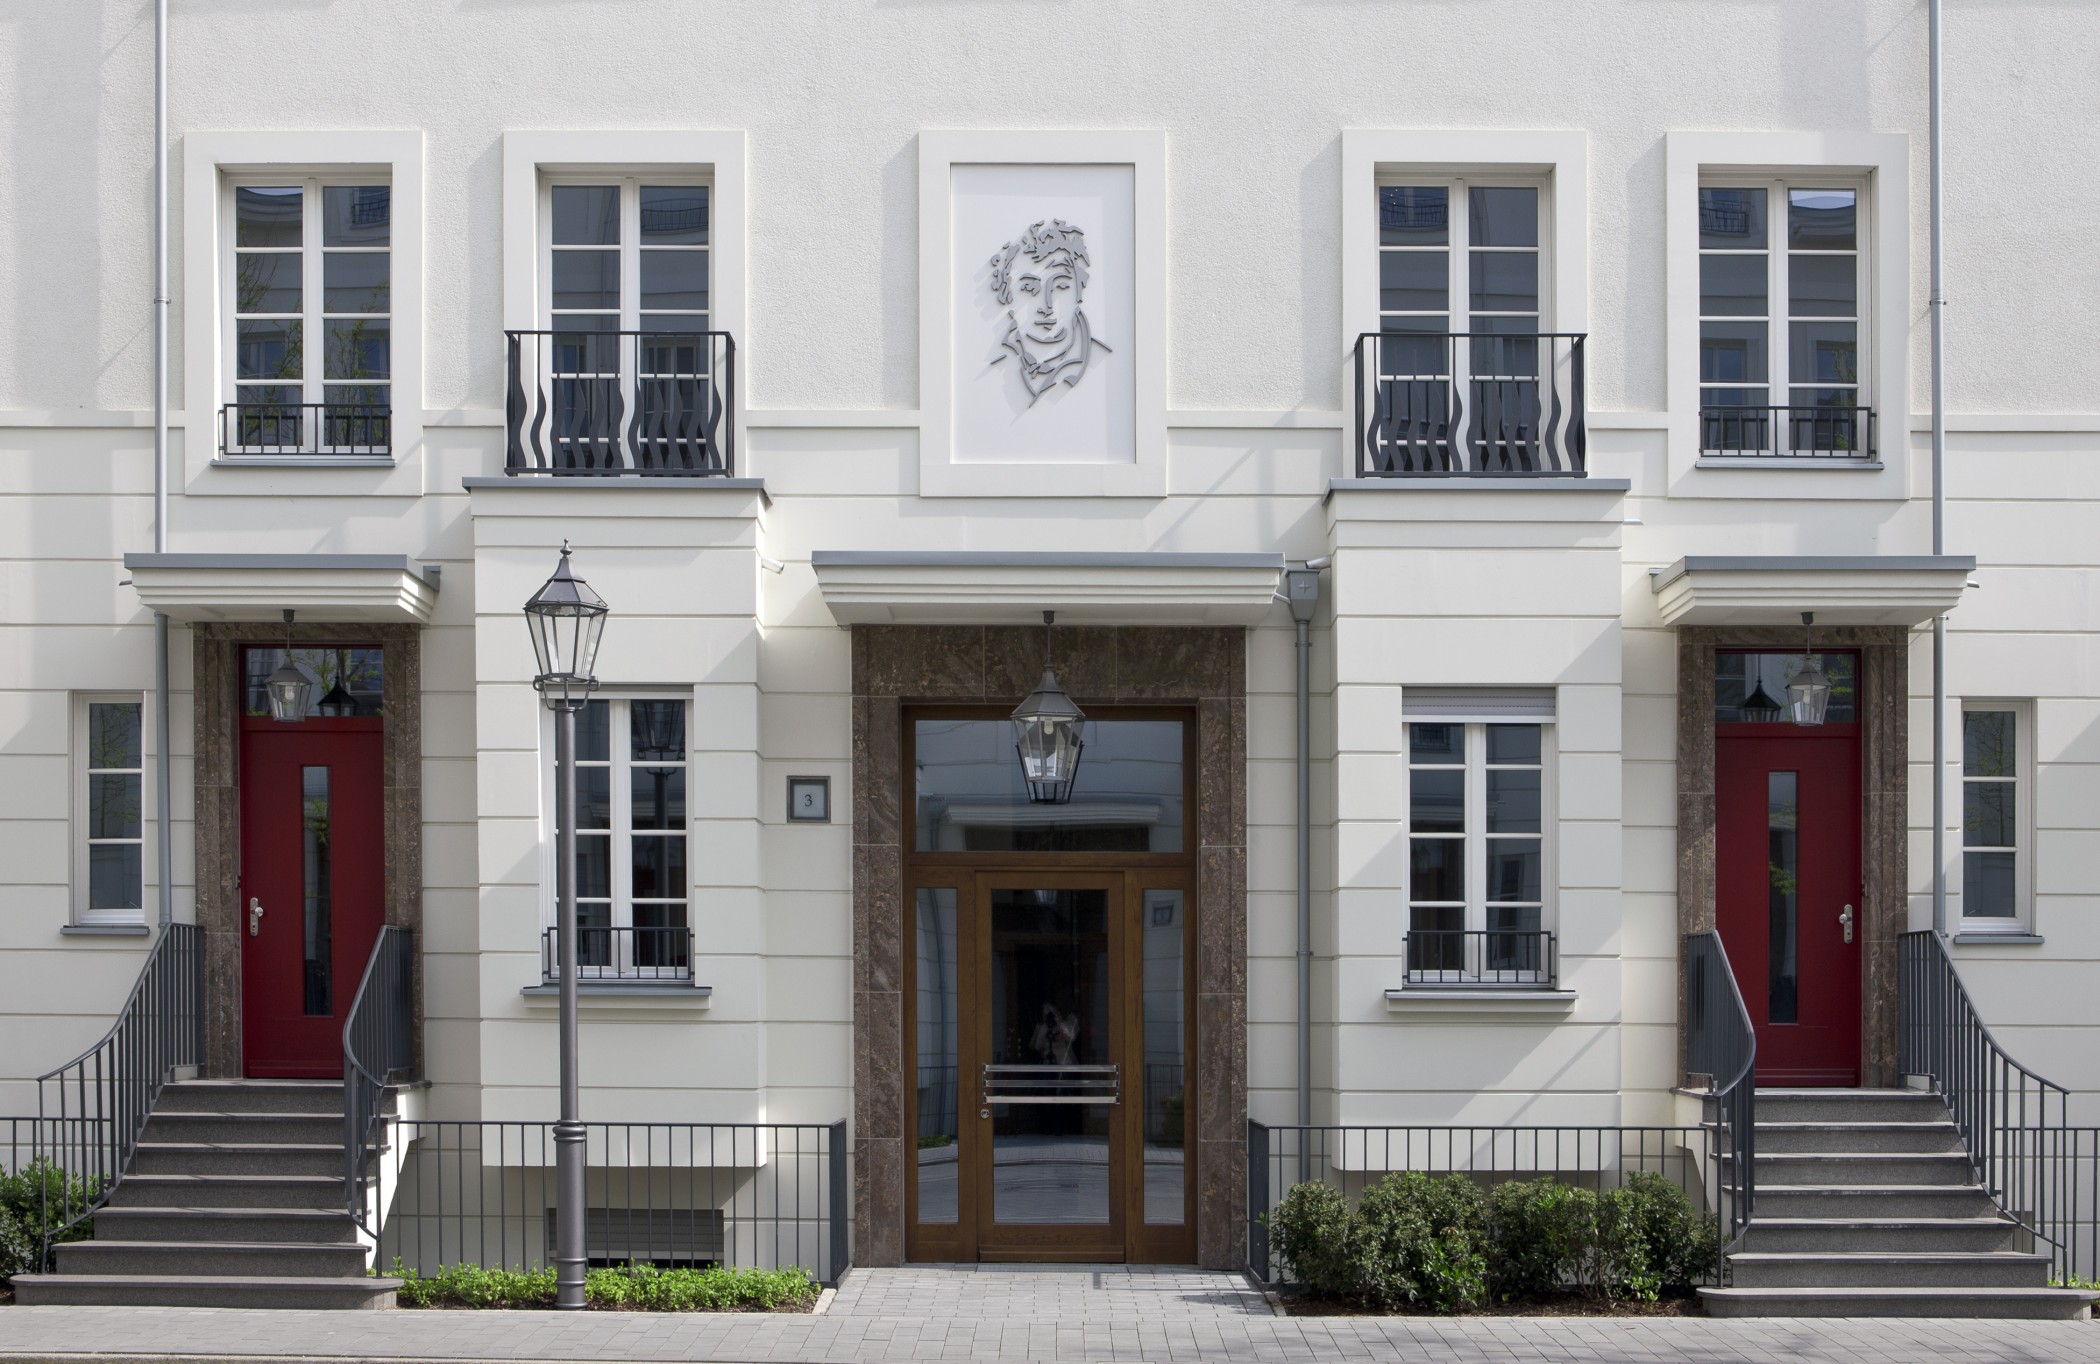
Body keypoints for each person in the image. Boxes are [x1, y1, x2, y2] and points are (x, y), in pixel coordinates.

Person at [988, 218, 1111, 405]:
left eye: (1061, 286)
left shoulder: (1106, 366)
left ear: (1079, 289)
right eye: (1029, 288)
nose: (1047, 306)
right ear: (1007, 294)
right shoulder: (994, 365)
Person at [1031, 1001, 1080, 1067]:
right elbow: (1037, 1047)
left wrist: (1060, 1023)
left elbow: (1072, 1037)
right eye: (1046, 1016)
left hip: (1064, 1063)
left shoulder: (1062, 1026)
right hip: (1048, 1062)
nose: (1049, 1018)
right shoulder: (1043, 1028)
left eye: (1051, 1016)